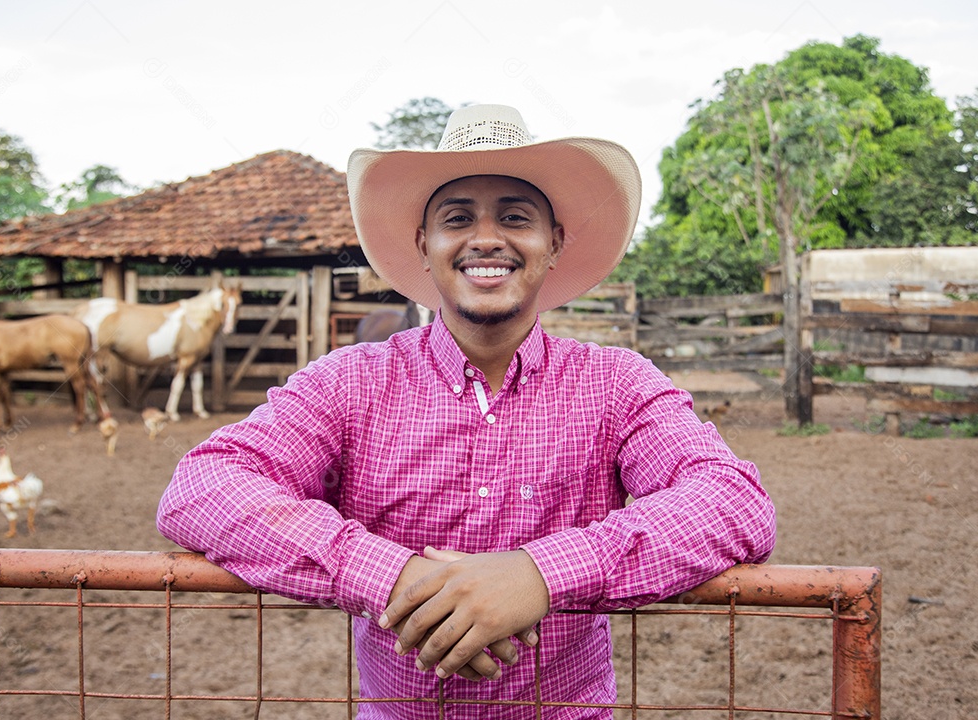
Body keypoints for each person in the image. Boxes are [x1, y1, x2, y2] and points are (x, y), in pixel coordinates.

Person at [157, 104, 776, 718]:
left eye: (515, 217)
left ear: (554, 242)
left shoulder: (617, 384)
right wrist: (388, 576)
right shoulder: (349, 384)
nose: (486, 238)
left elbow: (732, 499)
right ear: (424, 245)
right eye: (458, 218)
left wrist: (541, 575)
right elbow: (203, 487)